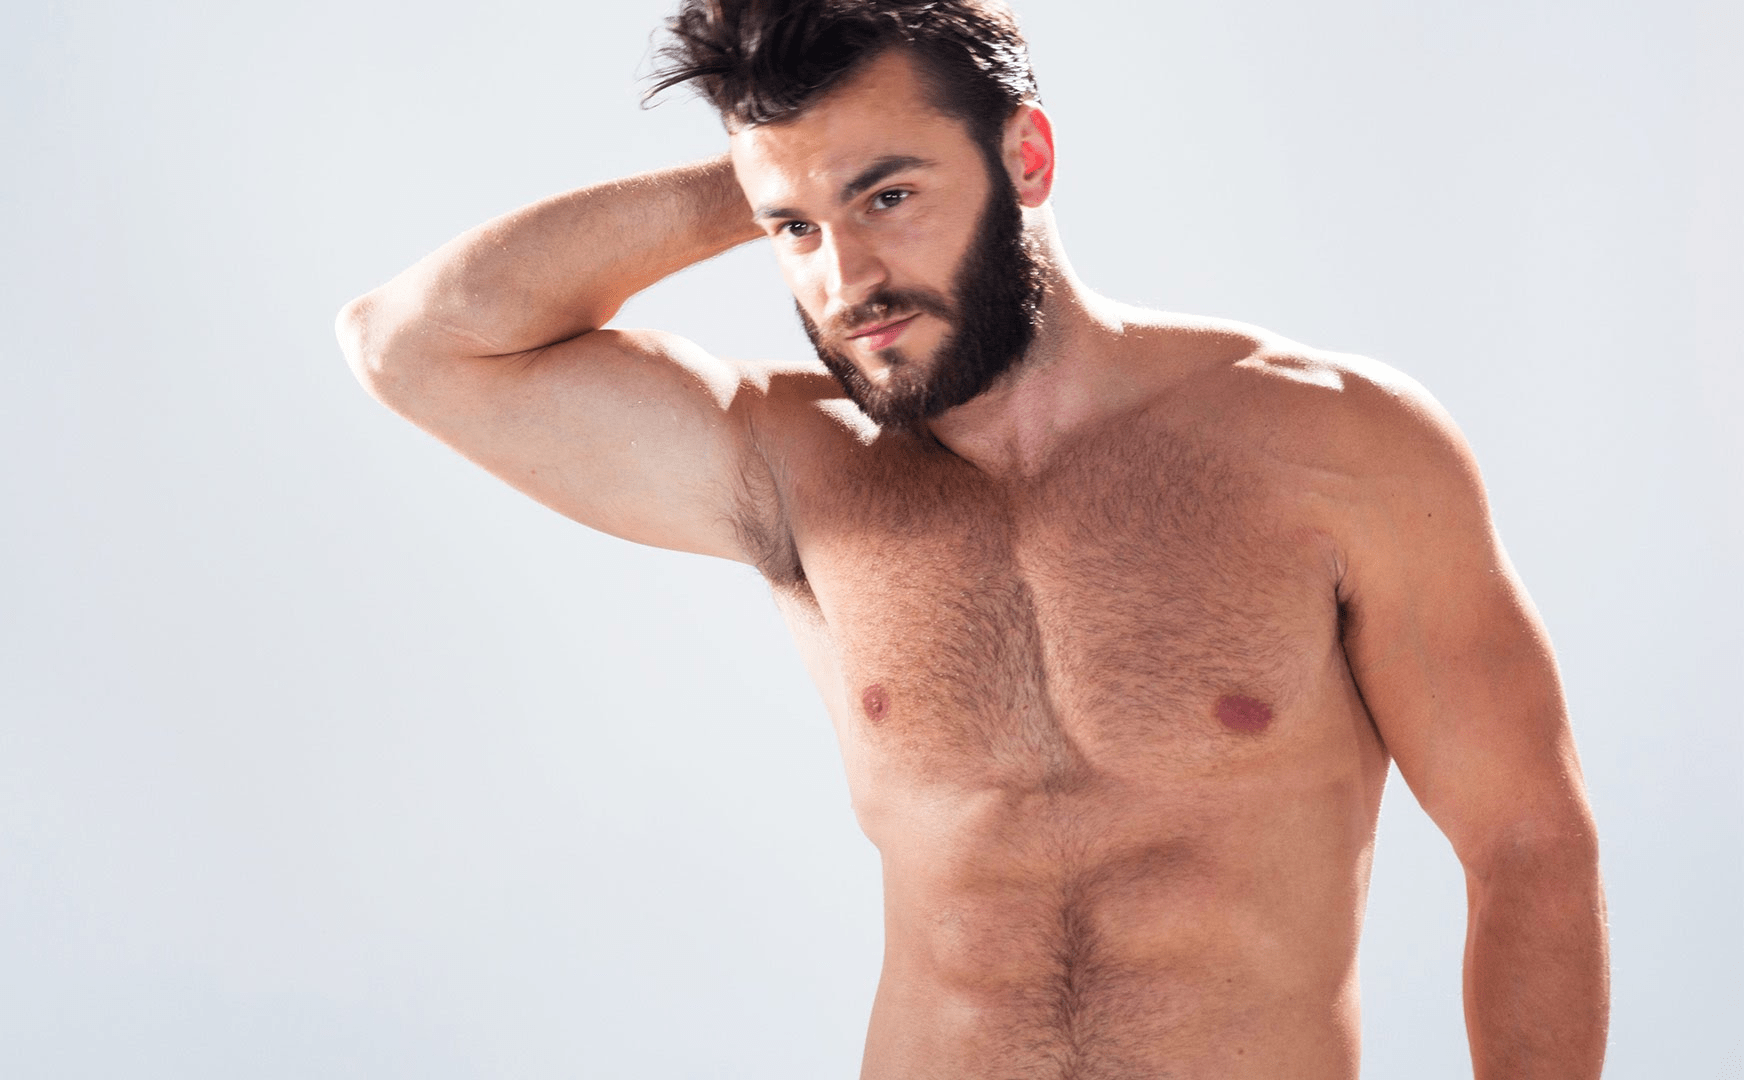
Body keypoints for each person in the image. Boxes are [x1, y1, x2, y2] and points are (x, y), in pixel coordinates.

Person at [335, 1, 1608, 1075]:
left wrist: (809, 173)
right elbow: (411, 345)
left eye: (889, 195)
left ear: (1028, 158)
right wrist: (776, 174)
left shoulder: (1337, 444)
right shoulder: (797, 465)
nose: (846, 282)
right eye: (796, 232)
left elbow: (1528, 847)